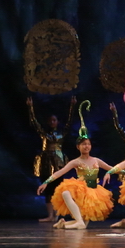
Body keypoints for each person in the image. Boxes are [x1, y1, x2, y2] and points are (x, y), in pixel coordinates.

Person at [36, 130, 115, 229]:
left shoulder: (96, 160)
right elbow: (60, 172)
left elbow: (113, 169)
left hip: (93, 193)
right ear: (78, 147)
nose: (86, 146)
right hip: (81, 191)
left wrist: (123, 172)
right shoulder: (76, 162)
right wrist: (46, 182)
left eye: (88, 144)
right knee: (65, 193)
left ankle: (62, 225)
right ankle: (77, 222)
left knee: (83, 225)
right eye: (84, 144)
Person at [26, 95, 76, 223]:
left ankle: (57, 215)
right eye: (51, 120)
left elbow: (69, 122)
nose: (53, 122)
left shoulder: (62, 133)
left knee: (58, 188)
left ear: (57, 122)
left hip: (58, 162)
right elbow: (34, 123)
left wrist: (72, 106)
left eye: (54, 120)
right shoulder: (45, 134)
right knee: (48, 188)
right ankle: (50, 215)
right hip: (47, 162)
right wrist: (30, 107)